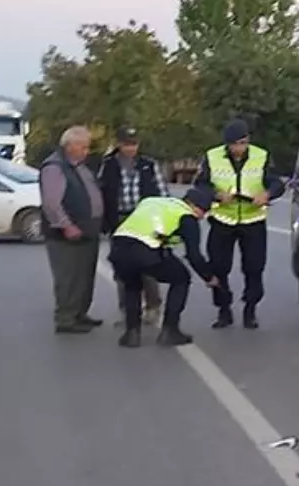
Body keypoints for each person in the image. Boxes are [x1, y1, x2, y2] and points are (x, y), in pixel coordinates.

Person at [193, 118, 285, 330]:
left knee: (254, 267)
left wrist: (268, 194)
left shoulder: (262, 155)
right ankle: (224, 309)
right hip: (223, 219)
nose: (238, 148)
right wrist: (216, 194)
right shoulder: (212, 156)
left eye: (243, 143)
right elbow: (201, 184)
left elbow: (276, 182)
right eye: (234, 144)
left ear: (248, 140)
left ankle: (250, 309)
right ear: (227, 143)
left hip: (253, 219)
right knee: (219, 266)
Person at [108, 188, 218, 348]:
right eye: (204, 212)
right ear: (197, 207)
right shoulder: (187, 217)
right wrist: (209, 277)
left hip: (119, 249)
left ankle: (132, 334)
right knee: (181, 278)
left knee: (132, 286)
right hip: (145, 252)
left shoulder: (151, 201)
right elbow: (194, 256)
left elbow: (151, 228)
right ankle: (170, 331)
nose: (203, 217)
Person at [99, 126, 169, 327]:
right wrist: (104, 221)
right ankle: (128, 311)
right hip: (120, 222)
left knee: (148, 267)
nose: (131, 148)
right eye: (127, 144)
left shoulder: (148, 165)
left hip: (145, 221)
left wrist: (162, 221)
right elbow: (103, 193)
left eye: (134, 144)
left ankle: (153, 307)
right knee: (123, 269)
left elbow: (163, 193)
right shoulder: (109, 165)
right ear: (119, 144)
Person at [39, 125, 104, 334]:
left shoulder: (80, 166)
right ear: (69, 146)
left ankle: (80, 313)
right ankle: (66, 318)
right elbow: (51, 203)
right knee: (68, 277)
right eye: (83, 147)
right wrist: (66, 225)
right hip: (65, 234)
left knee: (84, 276)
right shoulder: (55, 167)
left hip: (87, 231)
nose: (86, 151)